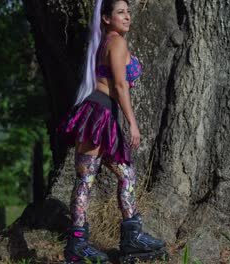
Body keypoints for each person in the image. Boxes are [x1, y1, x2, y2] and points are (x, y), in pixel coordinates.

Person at [58, 0, 166, 263]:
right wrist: (132, 122)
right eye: (120, 12)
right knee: (86, 179)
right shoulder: (115, 42)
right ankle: (78, 245)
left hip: (102, 116)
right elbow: (119, 85)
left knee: (126, 175)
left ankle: (132, 236)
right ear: (106, 18)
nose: (127, 17)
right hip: (97, 115)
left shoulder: (107, 41)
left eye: (128, 12)